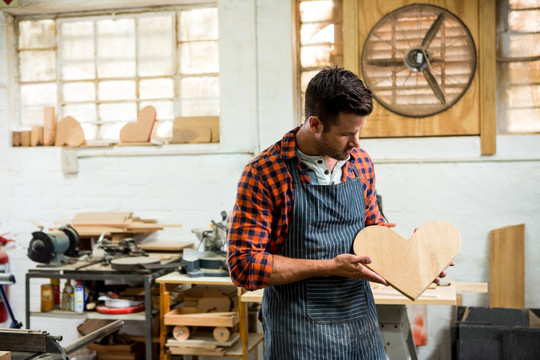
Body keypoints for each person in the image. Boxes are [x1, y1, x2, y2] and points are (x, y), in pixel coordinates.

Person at [227, 66, 449, 359]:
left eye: (359, 132)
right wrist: (330, 266)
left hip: (359, 326)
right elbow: (244, 266)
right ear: (316, 124)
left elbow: (374, 233)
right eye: (347, 134)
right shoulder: (264, 173)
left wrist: (414, 260)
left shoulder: (360, 164)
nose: (357, 143)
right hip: (297, 333)